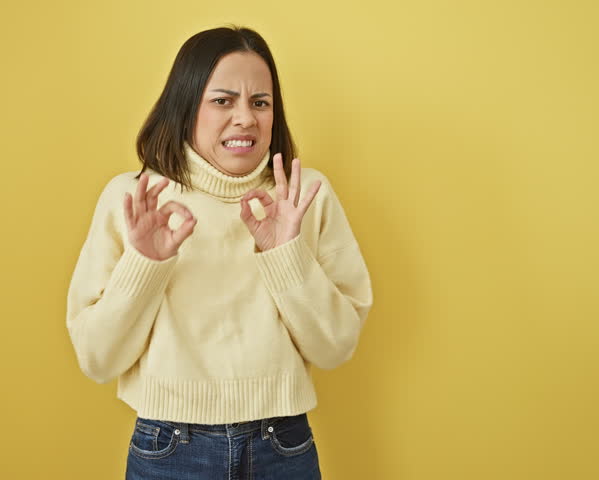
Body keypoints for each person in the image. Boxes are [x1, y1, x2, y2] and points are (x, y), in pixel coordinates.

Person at [66, 25, 373, 479]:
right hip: (170, 448)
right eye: (223, 100)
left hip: (281, 446)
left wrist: (285, 254)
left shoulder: (303, 198)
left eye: (261, 103)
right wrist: (145, 265)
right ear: (186, 107)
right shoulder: (136, 199)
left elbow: (335, 348)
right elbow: (98, 359)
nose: (246, 118)